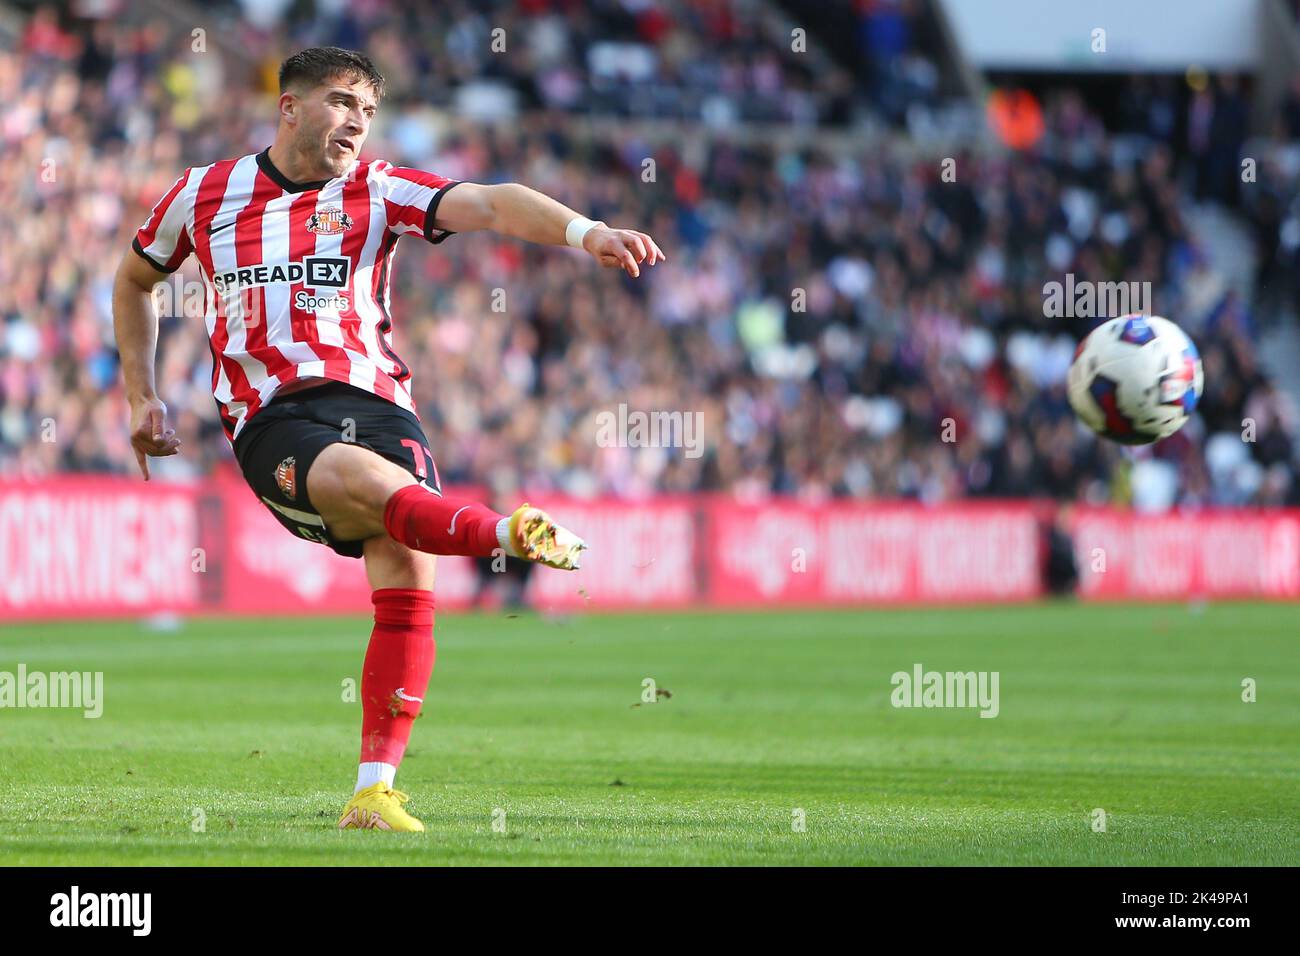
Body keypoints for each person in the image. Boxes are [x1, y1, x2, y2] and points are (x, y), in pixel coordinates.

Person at [112, 46, 666, 832]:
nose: (356, 123)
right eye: (341, 102)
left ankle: (375, 791)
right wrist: (141, 392)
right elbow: (135, 279)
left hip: (381, 403)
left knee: (407, 565)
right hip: (273, 415)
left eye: (368, 112)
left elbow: (495, 203)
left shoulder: (378, 189)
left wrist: (587, 231)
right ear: (290, 106)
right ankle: (506, 531)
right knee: (379, 492)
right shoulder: (204, 194)